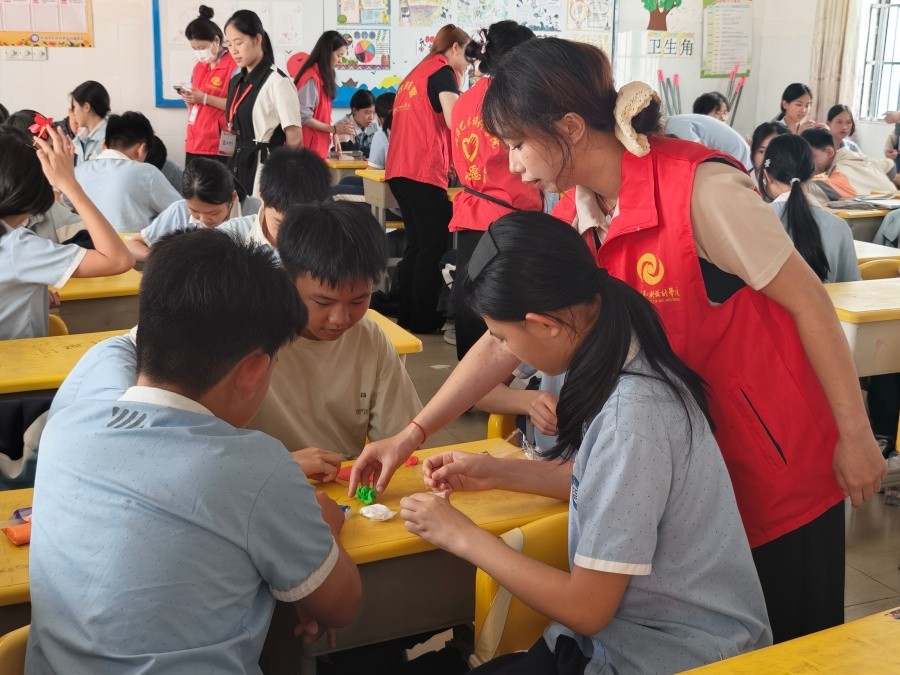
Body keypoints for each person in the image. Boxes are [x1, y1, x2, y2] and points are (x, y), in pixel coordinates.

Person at [352, 38, 886, 645]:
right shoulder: (572, 220)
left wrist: (855, 435)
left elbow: (810, 303)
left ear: (570, 128)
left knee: (792, 646)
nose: (511, 164)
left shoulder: (700, 190)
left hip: (773, 464)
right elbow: (505, 340)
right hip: (684, 477)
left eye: (517, 143)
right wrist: (413, 434)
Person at [401, 213, 771, 673]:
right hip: (619, 640)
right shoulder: (615, 343)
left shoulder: (629, 418)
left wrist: (460, 535)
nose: (502, 350)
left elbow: (587, 608)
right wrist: (496, 471)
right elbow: (613, 487)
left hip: (670, 657)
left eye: (502, 337)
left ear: (545, 325)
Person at [26, 228, 361, 673]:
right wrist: (328, 525)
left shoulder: (68, 425)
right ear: (253, 371)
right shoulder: (255, 468)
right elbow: (341, 607)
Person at [250, 199, 422, 465]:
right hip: (264, 480)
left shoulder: (369, 338)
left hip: (344, 482)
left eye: (358, 300)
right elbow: (205, 451)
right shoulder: (251, 337)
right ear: (287, 278)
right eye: (323, 302)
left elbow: (401, 440)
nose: (341, 319)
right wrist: (284, 465)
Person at [449, 21, 541, 360]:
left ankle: (468, 375)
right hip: (509, 213)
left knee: (470, 293)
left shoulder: (464, 101)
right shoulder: (516, 97)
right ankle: (497, 379)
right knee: (503, 302)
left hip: (471, 208)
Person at [0, 126, 133, 340]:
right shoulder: (17, 247)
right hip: (21, 358)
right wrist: (71, 185)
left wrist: (31, 293)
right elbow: (119, 260)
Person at [386, 24, 470, 334]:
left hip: (400, 170)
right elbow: (455, 119)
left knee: (417, 245)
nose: (468, 65)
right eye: (467, 56)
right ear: (455, 48)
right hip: (421, 171)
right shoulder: (443, 73)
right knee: (432, 247)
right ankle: (423, 319)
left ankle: (408, 315)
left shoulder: (415, 75)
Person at [758, 134, 859, 283]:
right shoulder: (839, 226)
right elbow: (851, 287)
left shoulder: (755, 220)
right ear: (813, 173)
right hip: (829, 299)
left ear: (767, 176)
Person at [223, 10, 303, 196]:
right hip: (235, 166)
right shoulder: (236, 82)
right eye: (229, 44)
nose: (233, 50)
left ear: (257, 39)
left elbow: (295, 139)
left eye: (238, 43)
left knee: (256, 214)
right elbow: (232, 131)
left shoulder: (278, 82)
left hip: (264, 169)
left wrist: (283, 181)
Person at [69, 111, 181, 232]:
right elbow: (181, 213)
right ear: (141, 149)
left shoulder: (77, 171)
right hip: (131, 243)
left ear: (104, 145)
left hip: (86, 241)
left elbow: (66, 204)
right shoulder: (147, 172)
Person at [128, 157, 255, 262]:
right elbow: (134, 244)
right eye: (195, 211)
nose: (204, 220)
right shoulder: (179, 211)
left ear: (232, 197)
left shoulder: (254, 211)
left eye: (213, 212)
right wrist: (164, 260)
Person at [218, 146, 331, 256]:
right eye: (279, 223)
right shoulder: (230, 238)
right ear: (262, 198)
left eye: (301, 225)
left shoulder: (329, 245)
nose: (289, 234)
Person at [181, 5, 238, 166]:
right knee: (192, 182)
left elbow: (238, 104)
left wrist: (204, 98)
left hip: (219, 143)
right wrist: (190, 97)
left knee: (220, 182)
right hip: (195, 139)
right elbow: (195, 103)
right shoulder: (199, 67)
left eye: (202, 48)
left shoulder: (234, 65)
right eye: (194, 49)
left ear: (216, 40)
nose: (199, 53)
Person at [294, 31, 354, 159]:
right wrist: (333, 129)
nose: (340, 60)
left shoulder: (323, 76)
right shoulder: (311, 79)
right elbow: (304, 117)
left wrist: (334, 133)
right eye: (338, 55)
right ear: (327, 52)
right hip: (308, 149)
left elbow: (323, 115)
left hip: (318, 147)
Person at [801, 127, 897, 197]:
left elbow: (807, 189)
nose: (807, 162)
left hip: (887, 213)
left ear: (829, 152)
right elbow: (890, 167)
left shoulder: (840, 175)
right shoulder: (853, 156)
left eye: (811, 157)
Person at [664, 113, 752, 171]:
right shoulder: (675, 121)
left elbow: (701, 155)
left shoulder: (674, 126)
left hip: (742, 163)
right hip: (743, 160)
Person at [69, 80, 110, 162]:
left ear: (86, 107)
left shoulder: (108, 139)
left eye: (74, 107)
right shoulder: (82, 138)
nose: (73, 113)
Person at [335, 89, 378, 157]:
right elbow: (350, 151)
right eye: (367, 113)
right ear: (354, 111)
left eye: (374, 113)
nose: (371, 117)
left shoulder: (374, 127)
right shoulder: (341, 127)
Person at [367, 92, 395, 170]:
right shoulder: (415, 130)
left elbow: (373, 171)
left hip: (392, 177)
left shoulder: (382, 134)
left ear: (379, 118)